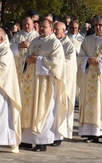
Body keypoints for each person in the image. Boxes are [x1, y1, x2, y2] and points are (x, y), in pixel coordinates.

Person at [20, 19, 67, 152]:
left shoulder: (54, 43)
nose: (41, 29)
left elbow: (57, 64)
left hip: (45, 84)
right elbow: (27, 57)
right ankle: (27, 140)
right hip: (31, 82)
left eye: (44, 27)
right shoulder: (34, 41)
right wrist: (26, 59)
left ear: (51, 29)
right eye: (40, 27)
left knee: (44, 110)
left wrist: (38, 60)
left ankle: (42, 142)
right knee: (29, 109)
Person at [54, 21, 77, 139]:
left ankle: (61, 134)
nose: (54, 31)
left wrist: (54, 65)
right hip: (51, 80)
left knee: (63, 106)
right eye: (54, 29)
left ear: (63, 31)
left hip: (63, 80)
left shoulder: (68, 45)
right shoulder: (51, 42)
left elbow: (70, 63)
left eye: (57, 29)